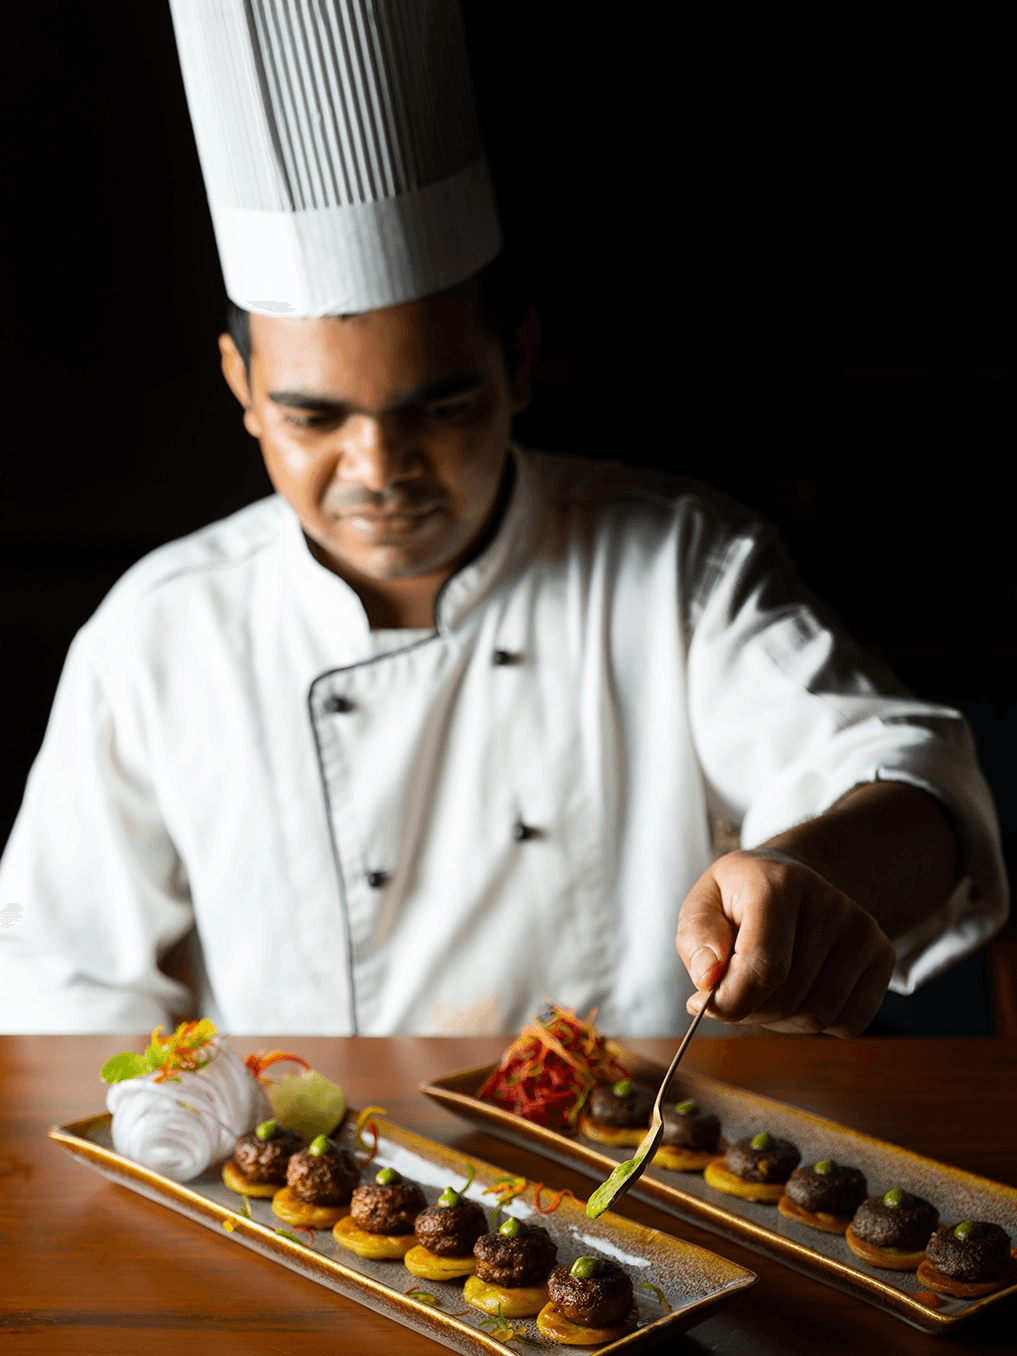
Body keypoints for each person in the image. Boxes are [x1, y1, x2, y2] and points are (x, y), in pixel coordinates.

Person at [0, 1, 1007, 1036]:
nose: (379, 469)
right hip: (288, 1139)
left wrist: (817, 869)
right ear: (242, 388)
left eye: (438, 407)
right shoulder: (158, 632)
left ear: (518, 362)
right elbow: (55, 979)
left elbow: (909, 772)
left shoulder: (676, 566)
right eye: (313, 417)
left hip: (641, 1137)